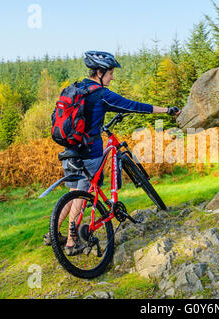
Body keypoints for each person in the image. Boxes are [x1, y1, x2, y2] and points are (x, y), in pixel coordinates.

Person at [44, 51, 181, 255]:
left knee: (73, 194)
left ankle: (52, 235)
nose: (112, 77)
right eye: (110, 73)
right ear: (99, 72)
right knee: (82, 197)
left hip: (69, 151)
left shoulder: (76, 88)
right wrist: (166, 110)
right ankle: (72, 243)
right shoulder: (101, 94)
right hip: (90, 153)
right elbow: (134, 106)